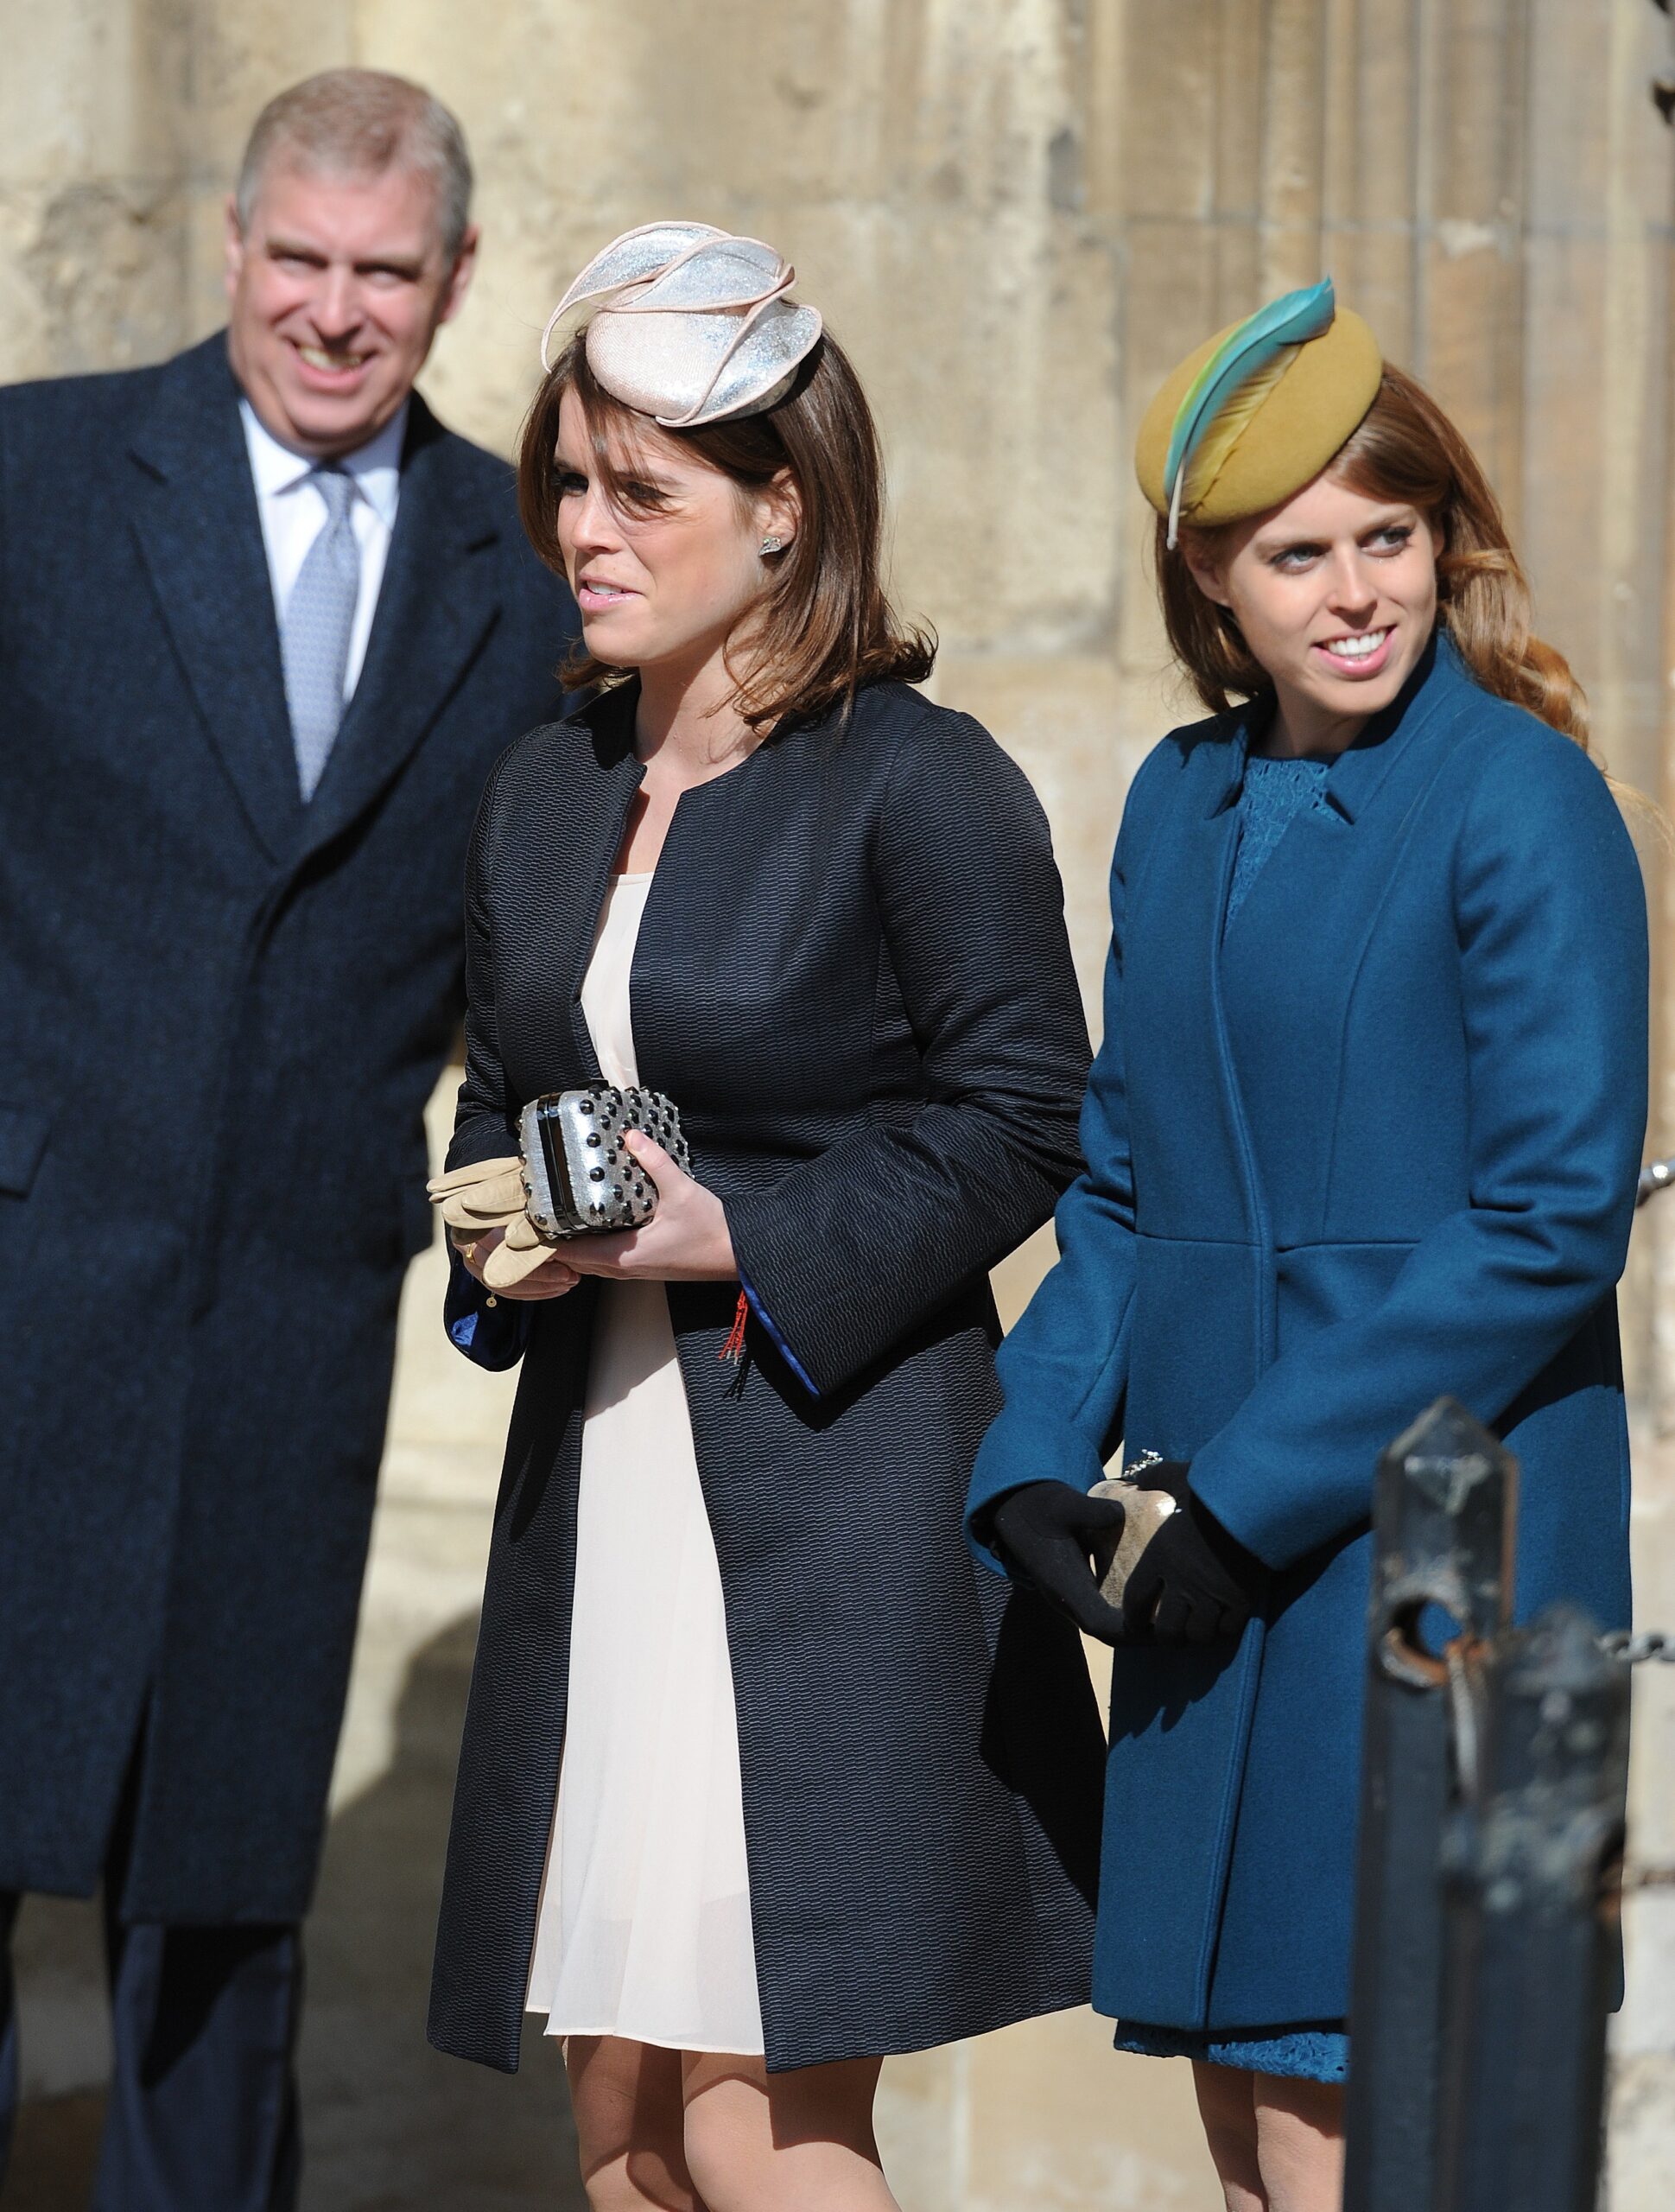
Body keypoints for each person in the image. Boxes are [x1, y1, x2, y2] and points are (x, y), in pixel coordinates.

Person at [425, 222, 1107, 2211]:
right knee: (624, 2124)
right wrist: (504, 1231)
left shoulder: (920, 779)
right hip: (607, 1486)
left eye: (642, 490)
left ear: (785, 508)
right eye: (570, 478)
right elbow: (496, 1091)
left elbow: (1024, 1117)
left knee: (761, 2112)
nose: (585, 528)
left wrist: (734, 1235)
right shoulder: (543, 785)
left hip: (828, 1510)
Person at [965, 278, 1648, 2212]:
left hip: (1418, 1549)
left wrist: (1239, 1497)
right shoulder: (1178, 804)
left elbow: (1544, 1222)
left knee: (1373, 2138)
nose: (1355, 591)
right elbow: (1121, 1175)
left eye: (1389, 536)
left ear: (1443, 538)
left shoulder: (1521, 798)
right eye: (1295, 553)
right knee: (1256, 2146)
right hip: (1210, 1582)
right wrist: (1029, 1451)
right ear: (1207, 584)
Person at [0, 69, 574, 2210]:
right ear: (234, 248)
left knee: (220, 1916)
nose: (335, 314)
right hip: (23, 1284)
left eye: (384, 273)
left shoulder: (516, 573)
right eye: (301, 260)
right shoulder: (34, 471)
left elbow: (546, 948)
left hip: (289, 1334)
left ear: (454, 284)